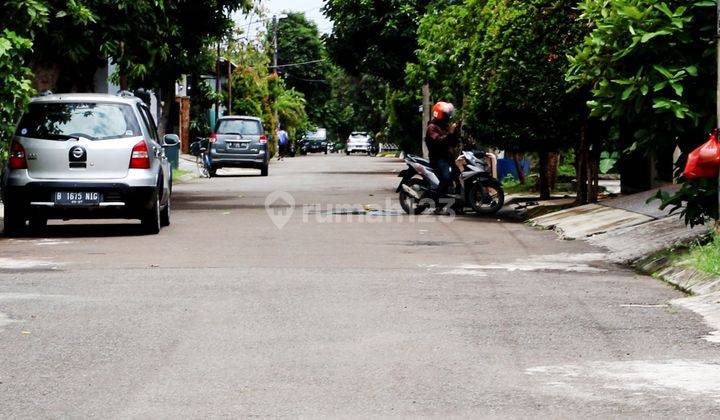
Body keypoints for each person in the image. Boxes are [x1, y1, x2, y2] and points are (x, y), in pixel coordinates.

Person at [425, 101, 459, 207]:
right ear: (439, 114)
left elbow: (451, 142)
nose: (448, 117)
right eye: (446, 115)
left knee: (457, 176)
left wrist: (455, 133)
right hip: (438, 158)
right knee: (446, 178)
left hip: (447, 157)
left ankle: (456, 203)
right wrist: (450, 133)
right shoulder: (432, 128)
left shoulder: (443, 126)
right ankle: (438, 205)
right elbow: (439, 142)